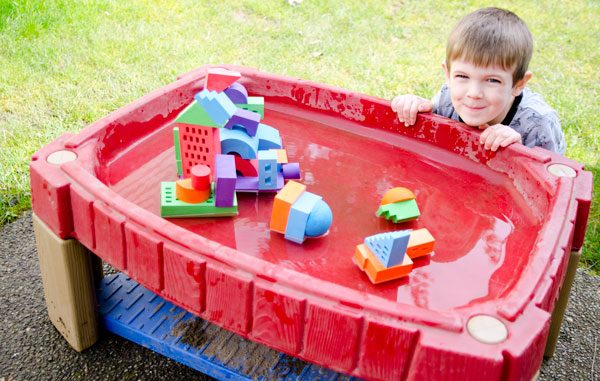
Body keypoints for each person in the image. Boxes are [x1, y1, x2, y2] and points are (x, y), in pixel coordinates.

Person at [391, 7, 565, 154]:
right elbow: (430, 143)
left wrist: (518, 152)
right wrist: (414, 106)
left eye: (492, 80)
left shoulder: (538, 123)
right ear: (448, 74)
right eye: (462, 76)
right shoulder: (446, 99)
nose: (473, 93)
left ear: (518, 84)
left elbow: (554, 183)